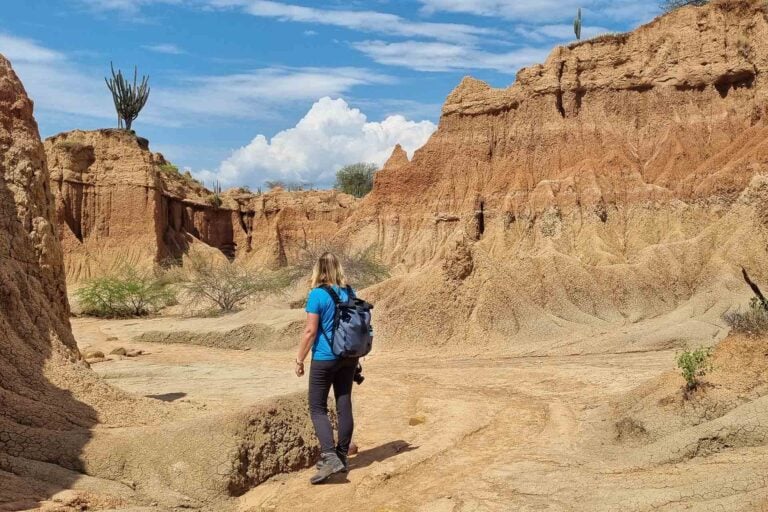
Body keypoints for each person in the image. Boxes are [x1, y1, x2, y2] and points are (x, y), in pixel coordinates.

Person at [295, 252, 359, 484]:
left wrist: (299, 359)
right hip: (349, 357)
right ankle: (341, 457)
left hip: (324, 357)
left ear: (318, 269)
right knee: (344, 403)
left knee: (317, 407)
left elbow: (311, 331)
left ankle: (330, 456)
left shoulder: (317, 294)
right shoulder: (350, 291)